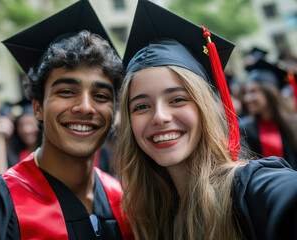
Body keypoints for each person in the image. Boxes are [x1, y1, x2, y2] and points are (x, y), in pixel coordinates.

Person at [0, 1, 132, 239]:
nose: (85, 107)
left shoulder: (124, 201)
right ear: (37, 108)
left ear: (114, 113)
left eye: (100, 96)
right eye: (66, 92)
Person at [115, 1, 297, 239]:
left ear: (204, 107)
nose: (159, 116)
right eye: (141, 106)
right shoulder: (147, 219)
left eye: (178, 99)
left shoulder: (249, 189)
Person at [240, 59, 297, 170]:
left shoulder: (293, 124)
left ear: (269, 93)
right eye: (246, 93)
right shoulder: (244, 130)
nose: (247, 99)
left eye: (253, 92)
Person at [7, 98, 40, 167]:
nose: (26, 130)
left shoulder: (49, 152)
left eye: (30, 123)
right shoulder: (13, 156)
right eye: (21, 125)